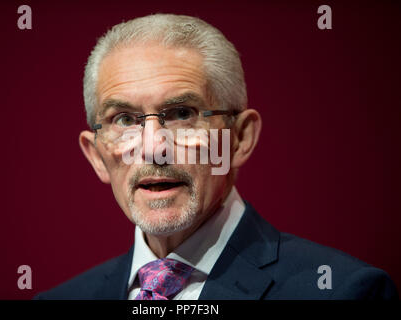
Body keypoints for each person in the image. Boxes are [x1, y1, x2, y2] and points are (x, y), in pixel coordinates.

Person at [35, 14, 398, 300]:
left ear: (239, 138)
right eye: (125, 120)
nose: (153, 147)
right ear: (97, 155)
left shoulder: (343, 292)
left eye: (181, 114)